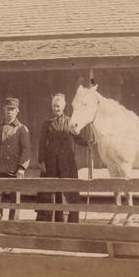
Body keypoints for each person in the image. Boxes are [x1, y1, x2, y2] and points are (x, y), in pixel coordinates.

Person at [36, 94, 91, 223]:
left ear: (64, 107)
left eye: (59, 106)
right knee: (49, 190)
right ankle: (47, 219)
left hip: (67, 162)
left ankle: (70, 220)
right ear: (52, 107)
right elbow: (41, 143)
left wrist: (87, 143)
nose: (56, 109)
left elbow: (77, 138)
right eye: (54, 106)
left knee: (68, 189)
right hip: (51, 163)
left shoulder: (69, 121)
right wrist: (41, 161)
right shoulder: (47, 123)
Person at [0, 97, 31, 220]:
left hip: (15, 170)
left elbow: (26, 150)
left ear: (17, 111)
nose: (10, 112)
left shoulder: (22, 129)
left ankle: (13, 224)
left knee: (15, 199)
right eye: (8, 109)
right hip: (0, 169)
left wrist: (22, 167)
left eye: (13, 110)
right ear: (4, 110)